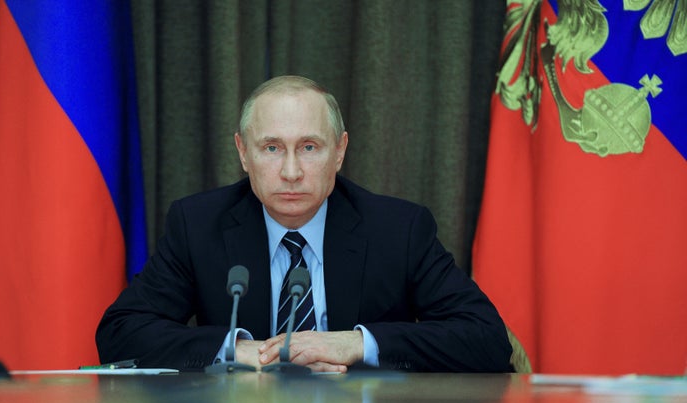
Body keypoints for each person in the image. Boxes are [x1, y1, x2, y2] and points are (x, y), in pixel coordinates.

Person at [96, 75, 513, 372]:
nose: (291, 171)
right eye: (272, 148)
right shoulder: (199, 225)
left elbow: (486, 340)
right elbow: (121, 333)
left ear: (339, 151)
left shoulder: (398, 229)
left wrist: (354, 343)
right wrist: (235, 349)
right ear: (243, 153)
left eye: (309, 147)